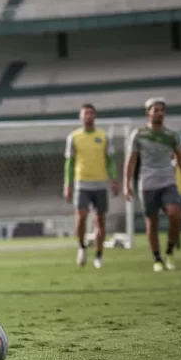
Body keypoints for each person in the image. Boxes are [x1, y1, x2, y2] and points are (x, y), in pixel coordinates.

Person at [125, 98, 181, 272]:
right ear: (148, 113)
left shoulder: (171, 135)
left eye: (162, 110)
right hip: (147, 184)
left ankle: (169, 252)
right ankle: (157, 259)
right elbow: (131, 161)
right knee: (152, 222)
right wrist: (126, 184)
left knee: (176, 215)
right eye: (156, 110)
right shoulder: (139, 134)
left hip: (168, 182)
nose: (160, 113)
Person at [64, 103, 119, 269]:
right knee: (81, 216)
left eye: (91, 113)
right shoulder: (73, 137)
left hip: (100, 184)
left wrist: (114, 179)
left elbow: (110, 161)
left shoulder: (103, 136)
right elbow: (69, 163)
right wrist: (68, 184)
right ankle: (82, 246)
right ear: (80, 117)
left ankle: (99, 256)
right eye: (85, 113)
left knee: (100, 221)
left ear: (95, 116)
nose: (88, 116)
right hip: (82, 183)